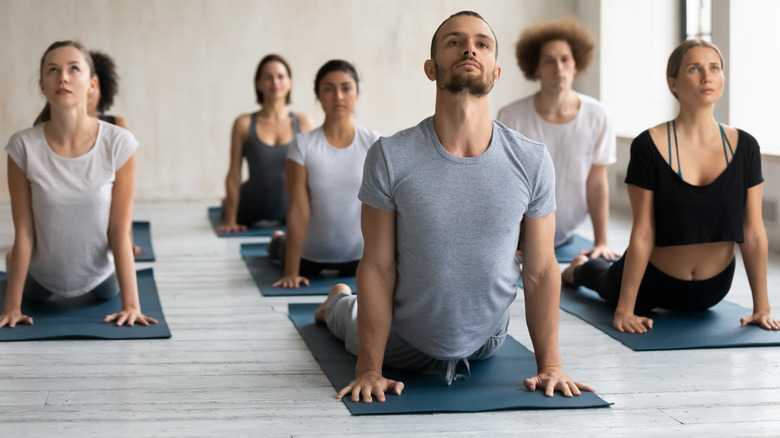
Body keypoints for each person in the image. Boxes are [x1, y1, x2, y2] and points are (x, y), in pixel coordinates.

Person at [315, 11, 593, 403]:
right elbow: (377, 267)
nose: (469, 48)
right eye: (454, 41)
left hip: (486, 342)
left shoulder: (531, 160)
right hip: (399, 340)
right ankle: (336, 302)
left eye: (482, 44)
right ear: (431, 69)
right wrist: (370, 370)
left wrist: (550, 366)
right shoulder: (391, 156)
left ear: (496, 72)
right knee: (348, 317)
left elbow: (542, 268)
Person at [562, 39, 780, 333]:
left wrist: (762, 308)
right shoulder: (648, 145)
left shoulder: (746, 147)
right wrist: (625, 308)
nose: (707, 77)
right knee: (597, 278)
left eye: (714, 68)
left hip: (712, 290)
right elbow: (643, 231)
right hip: (651, 285)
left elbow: (753, 233)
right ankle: (579, 266)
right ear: (673, 83)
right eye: (695, 68)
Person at [0, 41, 157, 328]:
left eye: (74, 69)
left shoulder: (119, 143)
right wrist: (11, 307)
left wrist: (132, 306)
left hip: (101, 278)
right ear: (42, 86)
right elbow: (23, 233)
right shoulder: (22, 147)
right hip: (40, 278)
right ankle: (12, 262)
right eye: (53, 70)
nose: (63, 77)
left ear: (91, 84)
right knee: (21, 269)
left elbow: (120, 232)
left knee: (110, 285)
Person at [497, 18, 617, 259]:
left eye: (565, 59)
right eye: (549, 60)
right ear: (536, 68)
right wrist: (510, 240)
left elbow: (597, 184)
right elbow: (504, 184)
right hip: (522, 237)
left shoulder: (598, 115)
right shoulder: (512, 116)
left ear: (576, 65)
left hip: (568, 234)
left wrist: (602, 241)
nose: (558, 68)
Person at [270, 60, 380, 288]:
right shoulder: (303, 144)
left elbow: (383, 209)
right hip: (309, 257)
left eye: (345, 88)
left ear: (356, 93)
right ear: (318, 95)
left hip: (358, 258)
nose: (338, 96)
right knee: (279, 246)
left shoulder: (373, 143)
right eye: (328, 89)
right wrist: (291, 272)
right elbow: (299, 208)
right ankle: (277, 240)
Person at [218, 54, 315, 233]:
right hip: (247, 210)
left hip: (290, 211)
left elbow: (314, 174)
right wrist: (230, 219)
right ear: (258, 84)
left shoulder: (304, 123)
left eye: (280, 76)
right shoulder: (244, 123)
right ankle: (226, 204)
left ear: (290, 82)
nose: (274, 82)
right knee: (227, 204)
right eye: (268, 77)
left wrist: (316, 217)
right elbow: (234, 173)